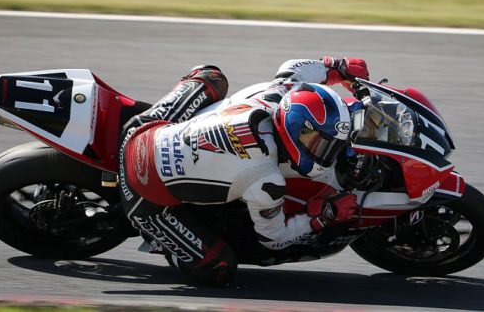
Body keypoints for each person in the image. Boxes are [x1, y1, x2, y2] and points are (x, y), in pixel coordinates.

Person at [118, 57, 369, 285]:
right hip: (143, 194)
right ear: (295, 133)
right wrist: (324, 214)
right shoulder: (265, 179)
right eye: (320, 142)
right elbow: (274, 237)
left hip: (143, 127)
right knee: (219, 269)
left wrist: (338, 67)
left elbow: (294, 68)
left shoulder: (278, 94)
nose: (329, 151)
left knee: (211, 75)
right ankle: (163, 242)